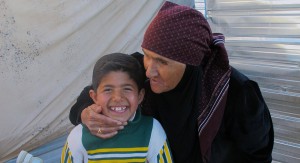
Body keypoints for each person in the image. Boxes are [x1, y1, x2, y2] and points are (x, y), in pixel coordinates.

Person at [69, 2, 274, 163]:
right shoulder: (138, 70)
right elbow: (90, 95)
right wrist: (86, 113)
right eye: (148, 55)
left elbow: (258, 156)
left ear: (191, 64)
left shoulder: (236, 94)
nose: (150, 70)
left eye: (162, 62)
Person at [62, 53, 173, 162]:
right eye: (108, 90)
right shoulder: (79, 136)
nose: (118, 98)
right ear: (94, 97)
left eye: (127, 89)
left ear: (140, 96)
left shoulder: (151, 130)